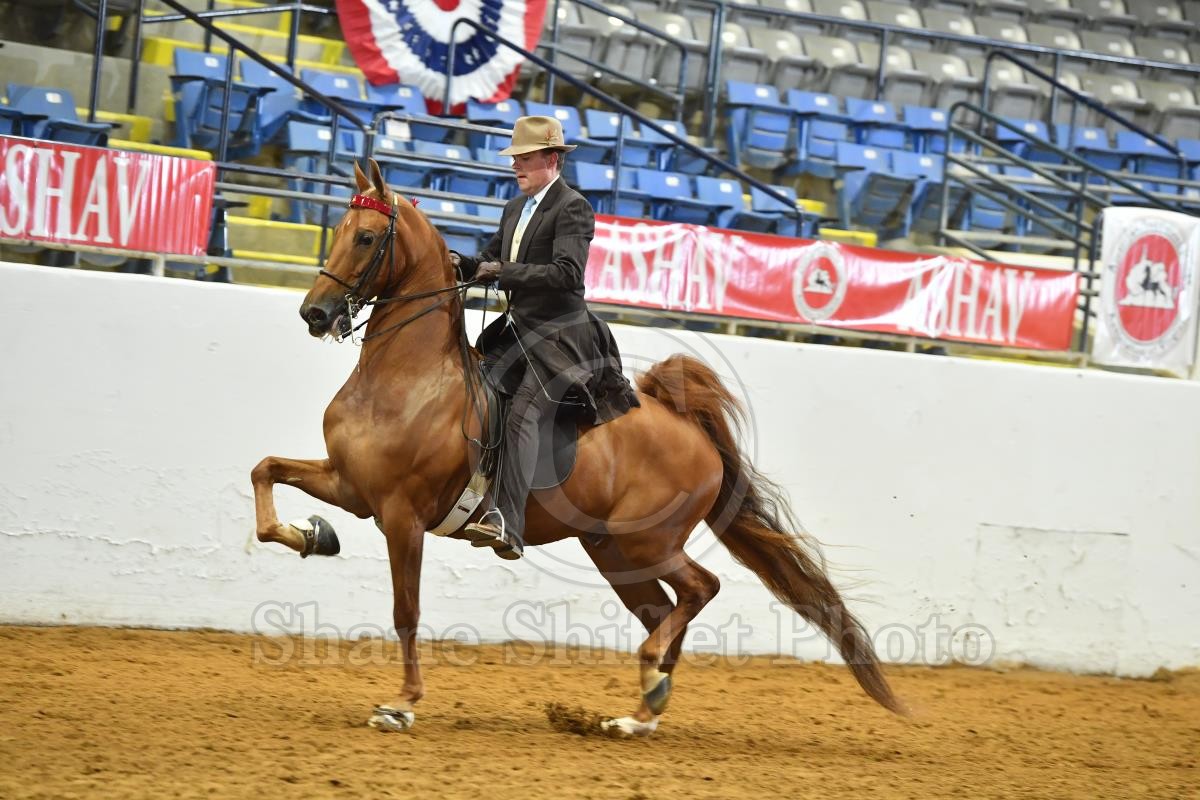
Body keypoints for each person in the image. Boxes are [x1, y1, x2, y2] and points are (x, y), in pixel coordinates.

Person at [450, 115, 639, 561]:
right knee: (474, 392)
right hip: (519, 331)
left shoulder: (572, 207)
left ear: (550, 159)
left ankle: (507, 523)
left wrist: (503, 272)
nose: (516, 166)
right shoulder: (515, 208)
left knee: (522, 413)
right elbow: (492, 258)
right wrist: (462, 263)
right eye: (515, 159)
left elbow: (566, 274)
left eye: (525, 159)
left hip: (562, 337)